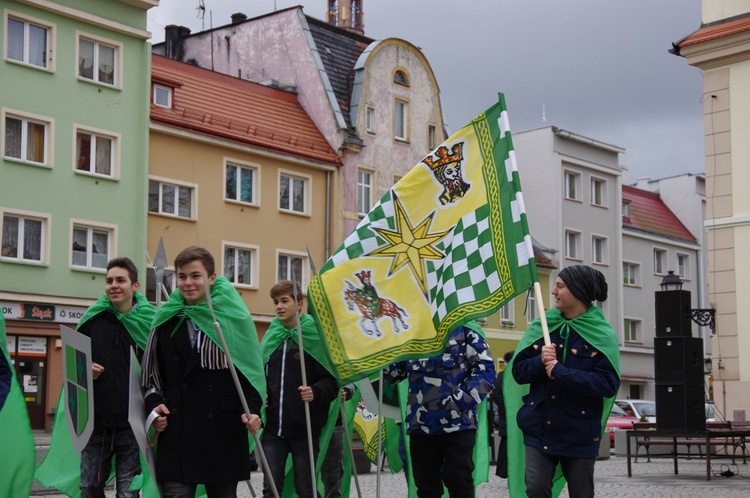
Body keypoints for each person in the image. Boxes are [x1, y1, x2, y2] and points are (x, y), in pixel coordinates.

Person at [141, 246, 265, 498]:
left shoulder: (232, 318)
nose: (188, 283)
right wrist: (155, 405)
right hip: (177, 431)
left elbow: (249, 376)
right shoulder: (166, 320)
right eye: (182, 276)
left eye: (195, 276)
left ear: (211, 278)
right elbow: (152, 376)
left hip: (223, 432)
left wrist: (253, 411)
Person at [510, 265, 620, 498]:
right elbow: (518, 372)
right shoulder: (543, 326)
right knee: (536, 489)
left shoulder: (601, 333)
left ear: (578, 292)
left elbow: (607, 384)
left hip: (579, 431)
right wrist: (540, 361)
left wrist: (562, 372)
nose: (553, 292)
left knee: (581, 493)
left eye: (560, 286)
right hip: (539, 427)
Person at [74, 257, 156, 498]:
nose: (114, 285)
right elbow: (73, 365)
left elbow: (159, 371)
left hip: (131, 425)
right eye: (109, 281)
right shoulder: (92, 321)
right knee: (89, 488)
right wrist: (84, 368)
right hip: (95, 423)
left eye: (121, 280)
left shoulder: (150, 323)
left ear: (135, 286)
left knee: (128, 494)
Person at [384, 322, 496, 498]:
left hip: (458, 425)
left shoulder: (465, 330)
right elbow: (392, 374)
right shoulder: (412, 331)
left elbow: (486, 372)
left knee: (458, 481)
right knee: (426, 488)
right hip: (421, 426)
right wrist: (383, 347)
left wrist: (458, 402)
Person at [260, 280, 339, 498]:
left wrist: (316, 391)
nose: (279, 306)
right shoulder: (272, 337)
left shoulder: (314, 336)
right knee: (271, 489)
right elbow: (259, 375)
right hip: (273, 428)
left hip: (305, 429)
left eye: (285, 301)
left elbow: (332, 381)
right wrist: (262, 393)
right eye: (276, 302)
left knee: (305, 489)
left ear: (300, 304)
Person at [321, 384, 355, 498]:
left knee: (333, 476)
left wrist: (347, 391)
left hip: (333, 421)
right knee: (302, 476)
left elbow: (351, 373)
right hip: (301, 422)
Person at [489, 350, 514, 479]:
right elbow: (495, 394)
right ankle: (506, 472)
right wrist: (507, 407)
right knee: (507, 443)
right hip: (508, 417)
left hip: (512, 416)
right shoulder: (503, 375)